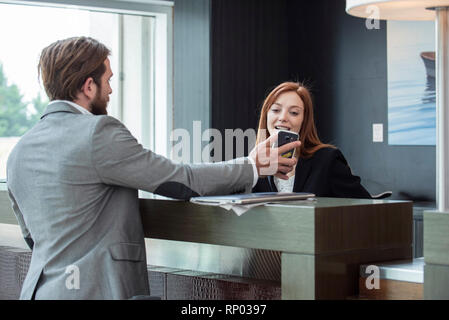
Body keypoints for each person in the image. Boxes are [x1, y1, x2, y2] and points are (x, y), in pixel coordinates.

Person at [6, 37, 300, 300]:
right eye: (107, 80)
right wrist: (252, 165)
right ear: (88, 86)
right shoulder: (98, 132)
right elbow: (180, 181)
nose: (110, 89)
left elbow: (33, 237)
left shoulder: (19, 151)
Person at [252, 81, 372, 198]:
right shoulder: (254, 163)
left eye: (294, 112)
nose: (283, 117)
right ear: (266, 115)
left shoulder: (327, 160)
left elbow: (365, 207)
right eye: (276, 110)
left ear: (304, 120)